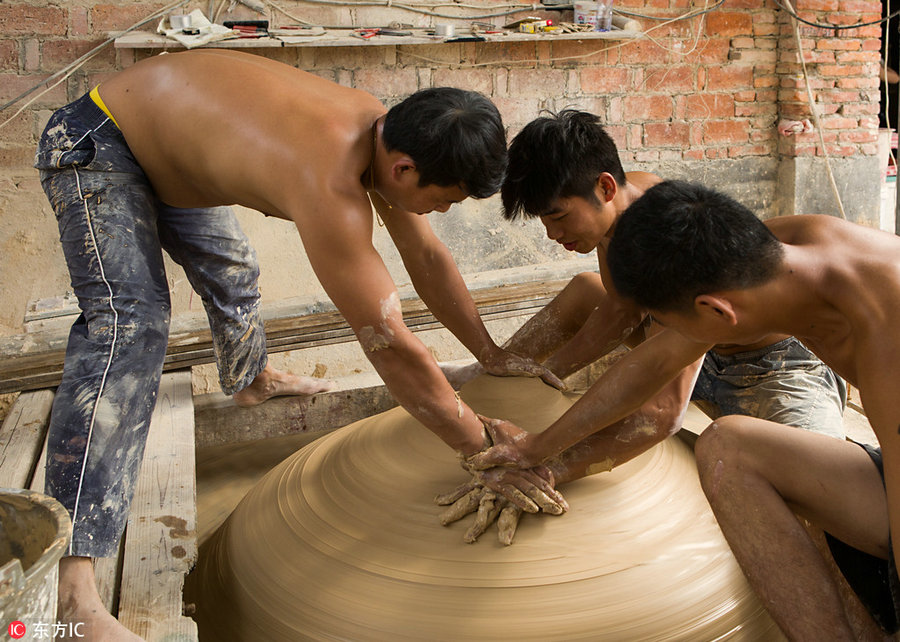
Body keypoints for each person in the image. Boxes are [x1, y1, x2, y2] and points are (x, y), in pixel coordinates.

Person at [34, 49, 563, 641]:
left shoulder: (392, 135)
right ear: (405, 171)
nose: (442, 212)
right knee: (131, 329)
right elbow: (387, 342)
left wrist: (488, 352)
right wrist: (482, 450)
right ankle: (72, 586)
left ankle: (250, 377)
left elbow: (428, 257)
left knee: (233, 267)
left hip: (165, 145)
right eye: (445, 199)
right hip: (98, 143)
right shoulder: (326, 177)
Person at [468, 179, 900, 639]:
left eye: (674, 326)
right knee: (727, 446)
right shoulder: (786, 244)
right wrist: (537, 448)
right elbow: (655, 361)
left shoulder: (885, 339)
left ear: (716, 312)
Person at [440, 110, 845, 544]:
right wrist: (544, 374)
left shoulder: (673, 238)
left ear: (606, 187)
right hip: (684, 339)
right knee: (584, 290)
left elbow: (660, 413)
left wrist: (546, 467)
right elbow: (620, 309)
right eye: (544, 222)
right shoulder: (619, 212)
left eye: (558, 217)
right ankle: (499, 378)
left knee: (826, 496)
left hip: (769, 366)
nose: (553, 234)